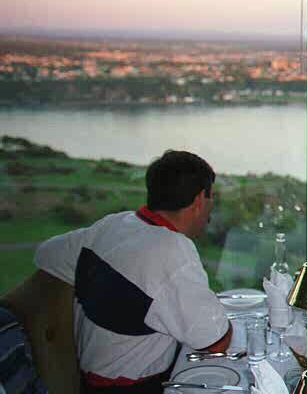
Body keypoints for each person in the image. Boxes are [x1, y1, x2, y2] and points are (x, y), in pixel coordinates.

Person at [34, 150, 232, 394]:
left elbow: (45, 253)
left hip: (88, 381)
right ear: (200, 199)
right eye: (211, 198)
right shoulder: (172, 251)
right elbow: (216, 343)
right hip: (137, 387)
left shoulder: (113, 224)